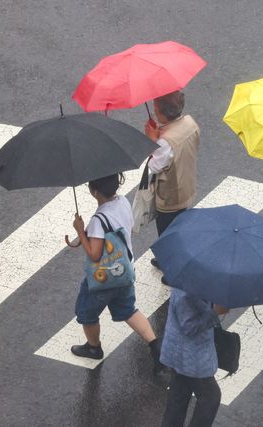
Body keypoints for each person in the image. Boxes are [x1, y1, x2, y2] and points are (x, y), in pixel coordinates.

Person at [71, 173, 163, 375]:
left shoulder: (98, 219)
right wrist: (89, 236)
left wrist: (80, 231)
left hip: (102, 280)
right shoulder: (122, 202)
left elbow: (95, 254)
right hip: (125, 271)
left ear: (93, 191)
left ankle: (93, 347)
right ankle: (156, 346)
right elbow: (124, 231)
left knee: (87, 313)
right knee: (128, 310)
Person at [144, 91, 200, 286]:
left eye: (156, 109)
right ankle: (167, 258)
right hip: (187, 184)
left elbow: (154, 165)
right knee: (178, 226)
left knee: (167, 231)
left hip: (170, 194)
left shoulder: (165, 143)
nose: (153, 110)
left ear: (165, 113)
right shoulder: (190, 124)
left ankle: (172, 269)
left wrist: (152, 139)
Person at [160, 288, 229, 427]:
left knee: (179, 396)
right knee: (210, 397)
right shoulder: (187, 292)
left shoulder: (190, 281)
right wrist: (217, 311)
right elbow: (190, 327)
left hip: (183, 352)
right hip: (190, 356)